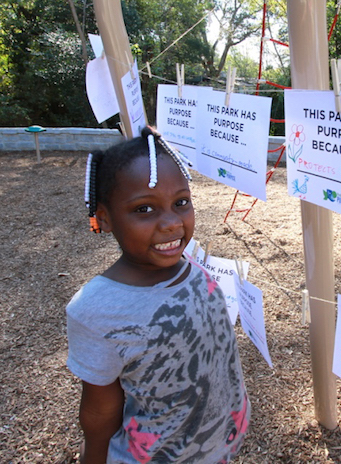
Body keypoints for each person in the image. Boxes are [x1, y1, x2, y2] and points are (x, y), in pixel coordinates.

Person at [66, 127, 250, 463]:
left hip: (219, 447)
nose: (171, 223)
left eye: (181, 203)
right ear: (104, 218)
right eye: (144, 210)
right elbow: (99, 414)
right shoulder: (94, 310)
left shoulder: (191, 266)